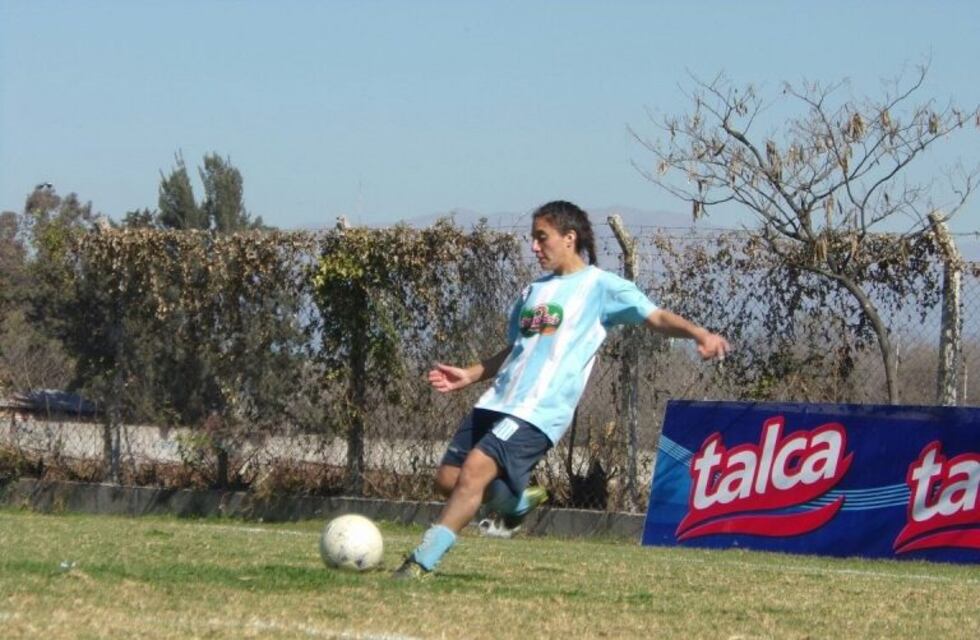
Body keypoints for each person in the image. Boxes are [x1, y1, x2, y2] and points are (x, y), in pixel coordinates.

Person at [393, 200, 729, 579]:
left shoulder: (600, 286)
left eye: (542, 238)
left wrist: (699, 333)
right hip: (498, 400)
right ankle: (513, 500)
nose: (535, 247)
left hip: (538, 410)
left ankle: (422, 561)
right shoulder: (531, 292)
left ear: (569, 238)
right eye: (533, 239)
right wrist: (471, 374)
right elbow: (518, 349)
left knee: (474, 471)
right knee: (447, 480)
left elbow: (656, 316)